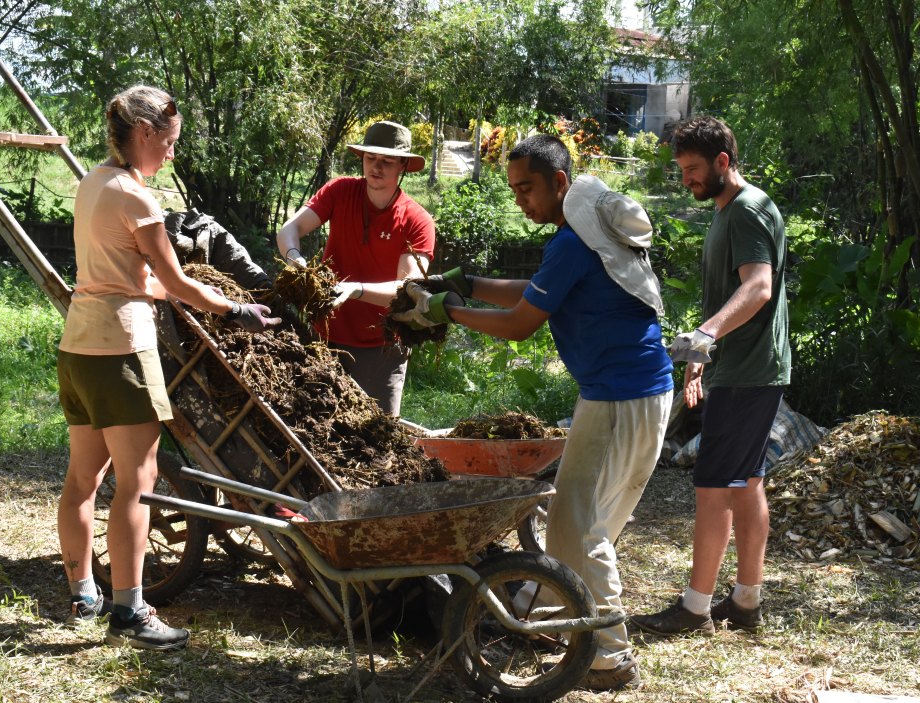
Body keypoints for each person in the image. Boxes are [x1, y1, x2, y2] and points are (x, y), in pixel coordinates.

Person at [393, 134, 673, 692]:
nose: (520, 200)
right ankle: (553, 612)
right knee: (583, 520)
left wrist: (447, 310)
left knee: (581, 526)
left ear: (559, 183)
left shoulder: (572, 242)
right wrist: (468, 283)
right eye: (515, 190)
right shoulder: (581, 237)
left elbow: (522, 323)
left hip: (619, 397)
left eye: (526, 189)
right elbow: (538, 292)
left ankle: (609, 657)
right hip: (635, 392)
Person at [57, 85, 280, 650]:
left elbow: (132, 277)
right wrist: (234, 309)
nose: (172, 153)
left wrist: (192, 296)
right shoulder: (137, 198)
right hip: (122, 350)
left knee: (83, 479)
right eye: (170, 142)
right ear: (144, 132)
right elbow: (175, 280)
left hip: (79, 348)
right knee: (139, 484)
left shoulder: (93, 183)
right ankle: (130, 612)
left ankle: (83, 594)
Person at [631, 116, 791, 637]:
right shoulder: (729, 210)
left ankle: (694, 607)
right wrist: (703, 353)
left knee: (713, 486)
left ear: (723, 161)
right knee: (745, 483)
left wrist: (705, 334)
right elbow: (731, 294)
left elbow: (759, 287)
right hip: (744, 367)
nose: (686, 180)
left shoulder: (747, 210)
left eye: (693, 169)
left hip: (749, 372)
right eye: (682, 170)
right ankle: (745, 601)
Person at [275, 121, 435, 416]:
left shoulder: (417, 220)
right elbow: (290, 229)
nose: (376, 167)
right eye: (370, 158)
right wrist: (296, 260)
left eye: (387, 161)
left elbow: (408, 289)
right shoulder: (340, 191)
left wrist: (356, 290)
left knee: (378, 434)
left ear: (403, 165)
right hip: (324, 337)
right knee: (313, 424)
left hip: (383, 348)